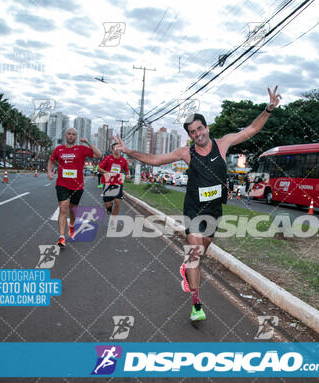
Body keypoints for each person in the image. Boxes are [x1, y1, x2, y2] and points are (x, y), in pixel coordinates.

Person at [113, 86, 281, 321]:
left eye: (200, 128)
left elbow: (252, 129)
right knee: (194, 252)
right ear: (190, 136)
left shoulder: (223, 144)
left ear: (206, 128)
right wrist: (129, 151)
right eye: (192, 132)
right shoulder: (186, 153)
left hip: (214, 209)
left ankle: (187, 270)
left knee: (200, 254)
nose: (197, 134)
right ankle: (196, 304)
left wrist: (269, 109)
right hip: (193, 209)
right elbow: (157, 160)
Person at [47, 128, 102, 247]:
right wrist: (49, 172)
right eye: (69, 134)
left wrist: (88, 142)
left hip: (77, 185)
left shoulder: (81, 149)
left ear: (76, 137)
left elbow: (98, 155)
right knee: (63, 208)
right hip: (62, 184)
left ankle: (71, 225)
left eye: (74, 134)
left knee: (73, 209)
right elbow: (51, 161)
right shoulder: (59, 149)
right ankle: (61, 237)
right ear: (65, 135)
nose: (71, 136)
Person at [97, 142, 131, 227]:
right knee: (108, 204)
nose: (117, 150)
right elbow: (99, 169)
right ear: (112, 150)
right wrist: (108, 173)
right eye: (115, 148)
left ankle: (113, 221)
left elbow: (127, 170)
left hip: (118, 183)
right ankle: (109, 208)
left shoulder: (123, 160)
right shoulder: (108, 158)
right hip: (108, 183)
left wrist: (128, 174)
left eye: (119, 148)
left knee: (117, 201)